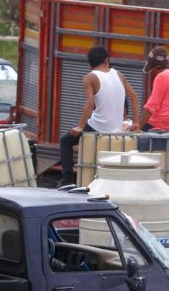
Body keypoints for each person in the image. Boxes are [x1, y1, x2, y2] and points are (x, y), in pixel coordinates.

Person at [58, 46, 140, 186]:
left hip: (98, 126)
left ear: (90, 63)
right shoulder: (118, 74)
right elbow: (133, 96)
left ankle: (67, 180)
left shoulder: (90, 78)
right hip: (116, 128)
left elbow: (90, 103)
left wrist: (80, 126)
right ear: (107, 60)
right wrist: (136, 122)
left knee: (66, 141)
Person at [140, 46, 169, 132]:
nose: (152, 73)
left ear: (156, 67)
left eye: (152, 70)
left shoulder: (161, 77)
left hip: (156, 126)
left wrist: (138, 127)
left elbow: (151, 106)